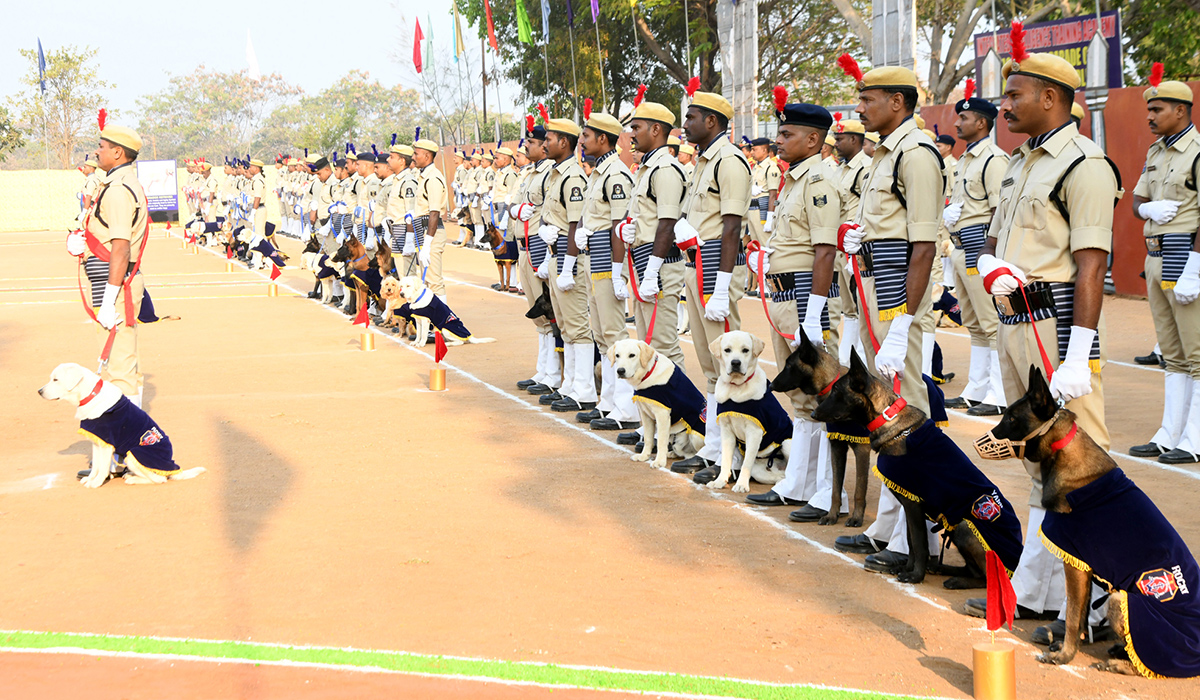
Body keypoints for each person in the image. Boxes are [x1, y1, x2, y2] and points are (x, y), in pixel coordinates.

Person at [964, 40, 1121, 638]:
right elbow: (1003, 242)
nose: (1003, 105)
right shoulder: (1022, 161)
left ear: (1050, 98)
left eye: (1013, 95)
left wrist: (1079, 352)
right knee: (1036, 458)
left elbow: (1090, 265)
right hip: (1013, 321)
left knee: (1082, 461)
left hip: (1054, 326)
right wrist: (987, 267)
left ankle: (1103, 599)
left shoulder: (1085, 165)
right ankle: (1037, 587)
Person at [834, 57, 944, 573]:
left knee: (907, 412)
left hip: (900, 291)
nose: (858, 109)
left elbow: (923, 245)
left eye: (866, 100)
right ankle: (893, 522)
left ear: (896, 102)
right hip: (876, 283)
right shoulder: (886, 154)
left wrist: (902, 323)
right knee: (885, 411)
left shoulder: (916, 155)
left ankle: (912, 535)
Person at [744, 98, 843, 518]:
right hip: (786, 295)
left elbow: (824, 251)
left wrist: (814, 313)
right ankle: (799, 482)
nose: (779, 140)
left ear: (813, 138)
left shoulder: (819, 181)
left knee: (824, 396)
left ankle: (826, 491)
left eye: (787, 134)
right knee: (801, 397)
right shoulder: (795, 180)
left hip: (807, 295)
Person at [672, 89, 752, 481]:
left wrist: (721, 287)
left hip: (716, 269)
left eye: (691, 117)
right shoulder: (703, 162)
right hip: (695, 266)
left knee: (729, 363)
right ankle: (715, 445)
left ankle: (733, 455)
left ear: (713, 122)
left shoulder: (730, 161)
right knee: (709, 363)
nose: (685, 124)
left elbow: (732, 227)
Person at [1129, 69, 1200, 465]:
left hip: (1183, 254)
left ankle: (1195, 437)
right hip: (1154, 254)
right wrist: (1147, 209)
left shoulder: (1198, 152)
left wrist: (1195, 264)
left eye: (1157, 109)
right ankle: (1170, 431)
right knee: (1172, 354)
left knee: (1197, 353)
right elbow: (1137, 201)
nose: (1150, 116)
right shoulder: (1155, 152)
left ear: (1180, 109)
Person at [613, 99, 689, 448]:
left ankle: (680, 425)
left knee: (663, 349)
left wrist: (653, 268)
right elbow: (646, 218)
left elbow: (668, 222)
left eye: (636, 128)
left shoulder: (665, 169)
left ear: (656, 130)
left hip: (660, 263)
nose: (631, 135)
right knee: (646, 349)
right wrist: (629, 232)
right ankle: (655, 426)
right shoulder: (647, 168)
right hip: (643, 260)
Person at [943, 84, 1009, 416]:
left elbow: (1001, 210)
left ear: (981, 123)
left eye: (964, 118)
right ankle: (977, 386)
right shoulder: (967, 159)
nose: (957, 124)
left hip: (979, 246)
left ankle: (999, 392)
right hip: (960, 247)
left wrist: (986, 255)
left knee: (991, 321)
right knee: (974, 322)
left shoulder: (994, 160)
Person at [75, 122, 150, 409]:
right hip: (113, 283)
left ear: (118, 152)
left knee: (120, 369)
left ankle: (128, 442)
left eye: (102, 146)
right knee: (124, 364)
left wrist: (108, 301)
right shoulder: (116, 183)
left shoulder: (118, 189)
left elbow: (120, 247)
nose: (97, 151)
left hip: (115, 287)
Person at [577, 109, 639, 431]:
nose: (582, 141)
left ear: (603, 139)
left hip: (606, 258)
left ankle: (627, 408)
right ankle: (608, 402)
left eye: (587, 135)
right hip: (593, 256)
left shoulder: (615, 174)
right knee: (601, 334)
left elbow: (618, 225)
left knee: (615, 334)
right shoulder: (598, 173)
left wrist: (617, 271)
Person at [538, 115, 595, 413]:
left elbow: (576, 223)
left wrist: (568, 264)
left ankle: (584, 389)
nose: (545, 143)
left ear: (564, 142)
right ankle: (570, 384)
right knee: (567, 327)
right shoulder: (556, 174)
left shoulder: (573, 177)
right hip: (557, 253)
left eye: (549, 138)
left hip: (570, 257)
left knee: (578, 326)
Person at [514, 120, 563, 398]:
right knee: (536, 312)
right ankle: (543, 369)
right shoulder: (529, 173)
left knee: (547, 311)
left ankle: (553, 373)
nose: (529, 146)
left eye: (532, 142)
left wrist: (545, 254)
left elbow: (548, 216)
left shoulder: (548, 174)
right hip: (524, 246)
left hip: (538, 246)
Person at [412, 136, 448, 302]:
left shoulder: (433, 177)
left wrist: (427, 243)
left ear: (426, 156)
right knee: (426, 280)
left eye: (416, 154)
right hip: (423, 230)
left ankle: (444, 322)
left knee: (434, 280)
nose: (413, 157)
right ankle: (433, 320)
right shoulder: (423, 175)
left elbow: (434, 212)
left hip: (431, 232)